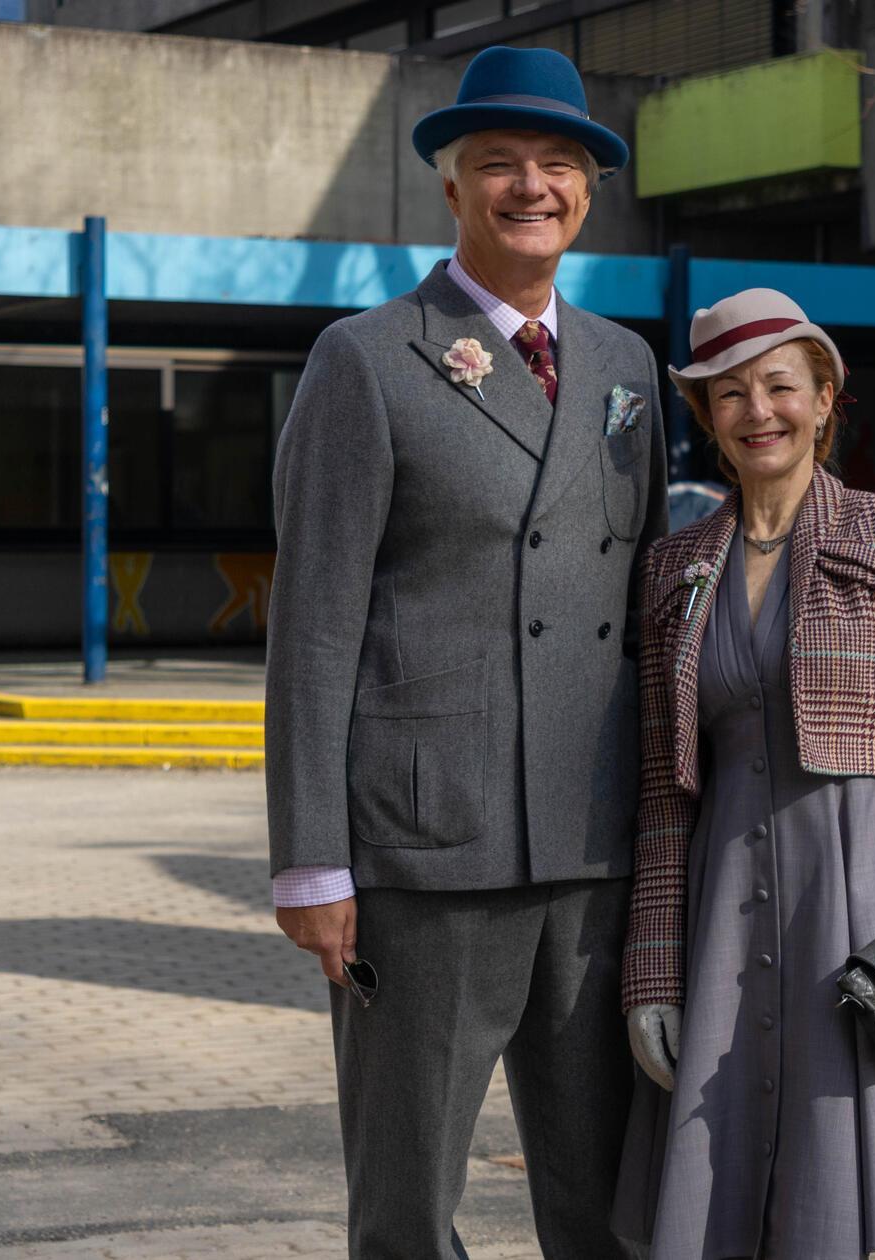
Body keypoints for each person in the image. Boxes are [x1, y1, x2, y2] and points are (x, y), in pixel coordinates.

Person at [263, 46, 666, 1259]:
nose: (529, 186)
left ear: (588, 192)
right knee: (406, 1203)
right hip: (429, 848)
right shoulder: (367, 356)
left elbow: (644, 600)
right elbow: (315, 624)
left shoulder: (625, 368)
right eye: (498, 164)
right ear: (452, 191)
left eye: (557, 164)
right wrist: (311, 866)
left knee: (609, 1198)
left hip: (596, 846)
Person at [613, 288, 875, 1258]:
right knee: (709, 1197)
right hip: (718, 906)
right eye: (728, 394)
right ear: (705, 416)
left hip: (857, 902)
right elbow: (659, 792)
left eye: (777, 387)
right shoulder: (672, 564)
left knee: (830, 1201)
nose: (756, 411)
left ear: (825, 395)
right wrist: (650, 972)